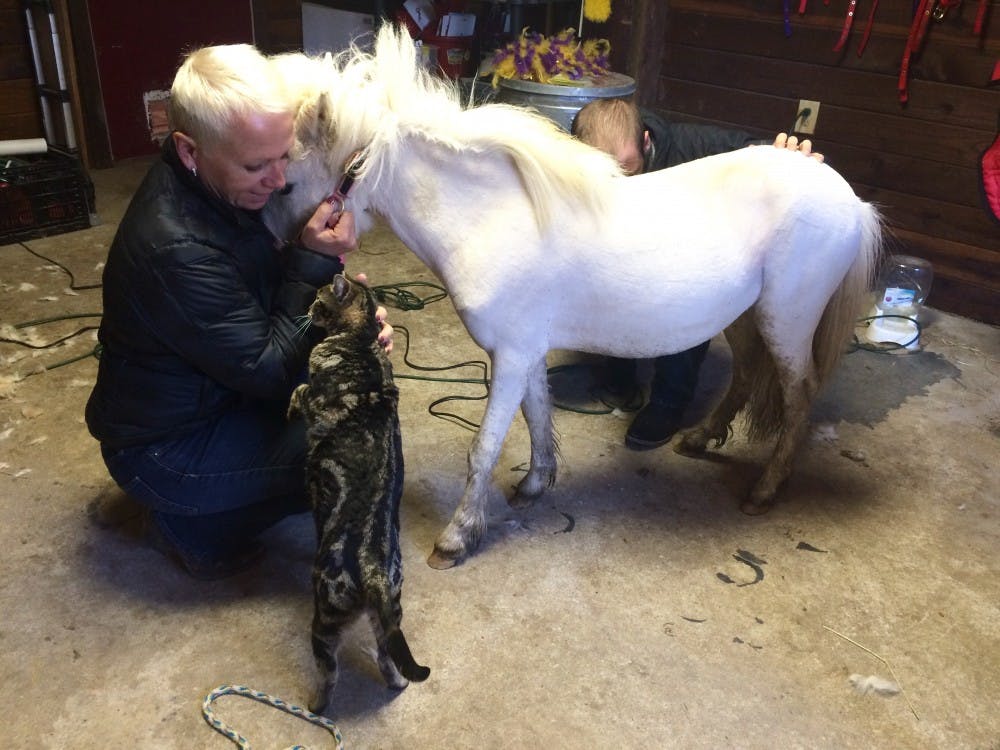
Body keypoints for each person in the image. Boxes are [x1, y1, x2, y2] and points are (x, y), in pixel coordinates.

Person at [85, 43, 392, 580]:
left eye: (284, 158)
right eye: (256, 165)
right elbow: (269, 370)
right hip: (164, 446)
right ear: (188, 150)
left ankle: (195, 500)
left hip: (208, 397)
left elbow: (255, 307)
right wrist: (314, 266)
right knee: (359, 437)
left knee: (354, 394)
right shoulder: (177, 247)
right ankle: (187, 525)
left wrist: (347, 327)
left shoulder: (217, 188)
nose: (277, 181)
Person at [571, 98, 821, 451]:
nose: (618, 185)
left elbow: (754, 153)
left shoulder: (694, 146)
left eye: (627, 171)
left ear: (646, 142)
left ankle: (669, 402)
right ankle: (620, 375)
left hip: (684, 265)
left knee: (688, 301)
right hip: (628, 253)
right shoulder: (577, 155)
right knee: (610, 283)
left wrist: (789, 154)